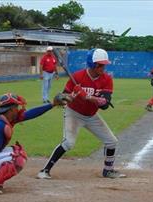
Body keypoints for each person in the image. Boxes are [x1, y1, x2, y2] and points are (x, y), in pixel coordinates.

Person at [37, 48, 126, 180]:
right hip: (74, 113)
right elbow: (63, 96)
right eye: (100, 65)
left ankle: (108, 171)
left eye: (104, 64)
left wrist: (88, 97)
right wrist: (68, 97)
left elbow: (105, 104)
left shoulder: (107, 79)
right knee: (69, 143)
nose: (103, 67)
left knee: (111, 141)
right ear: (92, 64)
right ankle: (45, 170)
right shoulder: (77, 77)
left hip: (91, 116)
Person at [0, 92, 70, 194]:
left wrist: (52, 104)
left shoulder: (5, 119)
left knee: (15, 151)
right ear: (11, 110)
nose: (18, 110)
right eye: (16, 107)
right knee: (17, 156)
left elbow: (30, 114)